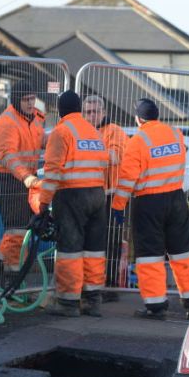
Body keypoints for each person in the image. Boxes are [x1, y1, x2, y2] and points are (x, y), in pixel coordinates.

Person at [112, 98, 189, 320]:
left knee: (150, 255)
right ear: (157, 115)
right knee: (183, 252)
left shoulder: (138, 141)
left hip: (148, 203)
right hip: (176, 197)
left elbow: (127, 179)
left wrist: (117, 205)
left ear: (138, 118)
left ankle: (155, 306)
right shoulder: (175, 134)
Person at [39, 90, 110, 317]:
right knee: (93, 250)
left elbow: (52, 172)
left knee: (70, 249)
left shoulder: (61, 132)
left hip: (71, 195)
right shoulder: (94, 132)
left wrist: (43, 204)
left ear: (60, 110)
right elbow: (103, 162)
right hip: (98, 195)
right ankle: (92, 300)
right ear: (79, 108)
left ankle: (68, 303)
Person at [0, 79, 45, 284]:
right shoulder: (7, 122)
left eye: (33, 98)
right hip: (7, 179)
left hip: (26, 179)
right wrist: (27, 177)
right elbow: (8, 156)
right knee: (16, 230)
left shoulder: (37, 118)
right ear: (16, 100)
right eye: (26, 99)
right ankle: (11, 278)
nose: (31, 103)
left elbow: (39, 140)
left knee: (23, 229)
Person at [82, 94, 129, 301]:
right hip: (87, 193)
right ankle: (90, 284)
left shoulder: (115, 131)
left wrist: (89, 152)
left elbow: (115, 156)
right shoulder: (81, 130)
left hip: (111, 195)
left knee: (111, 241)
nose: (92, 115)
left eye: (96, 111)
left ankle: (109, 286)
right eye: (88, 112)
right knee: (90, 241)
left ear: (104, 112)